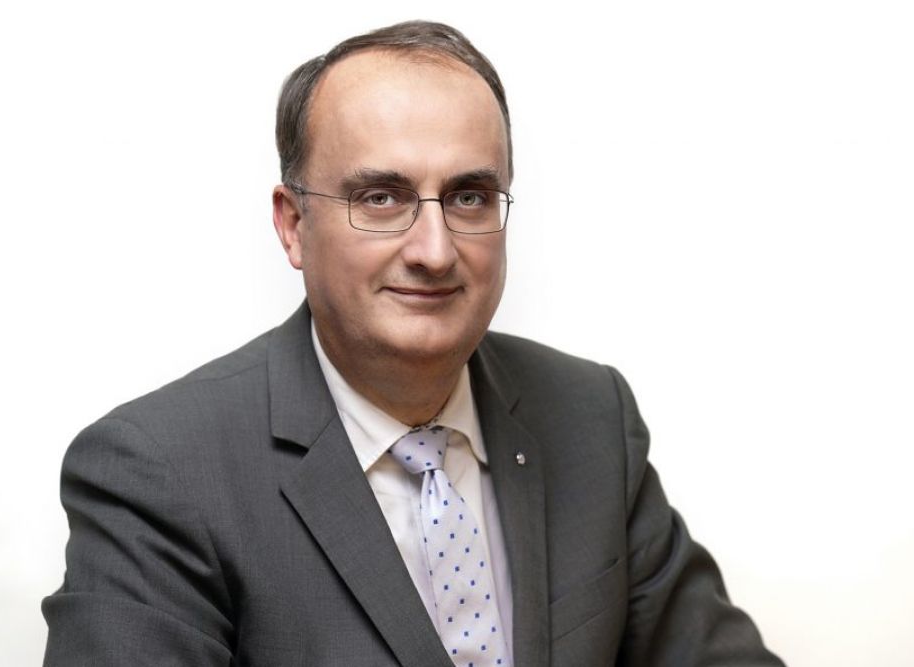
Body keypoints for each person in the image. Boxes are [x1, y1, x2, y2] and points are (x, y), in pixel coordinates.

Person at [42, 20, 785, 667]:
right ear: (293, 225)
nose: (434, 249)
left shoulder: (591, 416)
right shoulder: (159, 473)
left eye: (469, 197)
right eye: (381, 197)